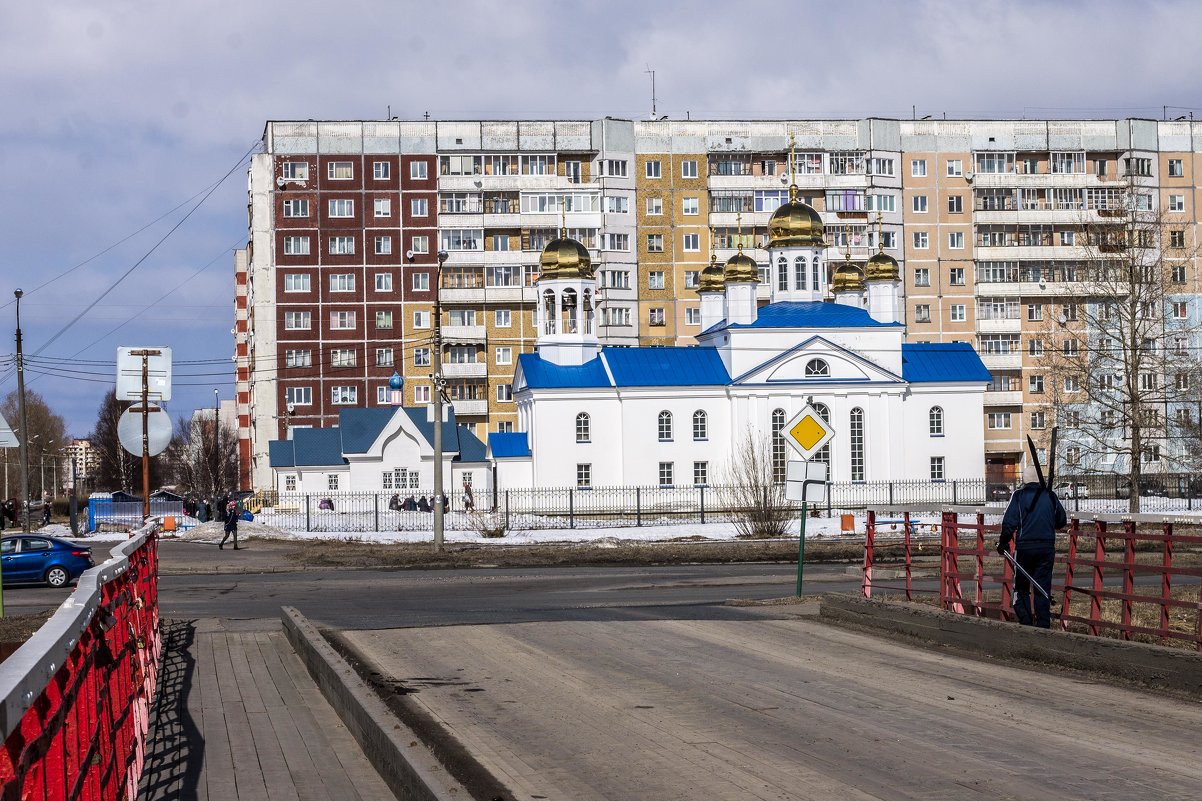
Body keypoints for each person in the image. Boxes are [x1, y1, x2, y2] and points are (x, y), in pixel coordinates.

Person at [998, 463, 1067, 628]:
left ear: (1024, 479)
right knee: (1042, 586)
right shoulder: (1050, 495)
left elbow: (1009, 522)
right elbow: (1061, 521)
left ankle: (1026, 622)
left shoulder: (1019, 496)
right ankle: (1043, 624)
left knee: (1021, 587)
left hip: (1025, 547)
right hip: (1047, 547)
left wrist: (1003, 542)